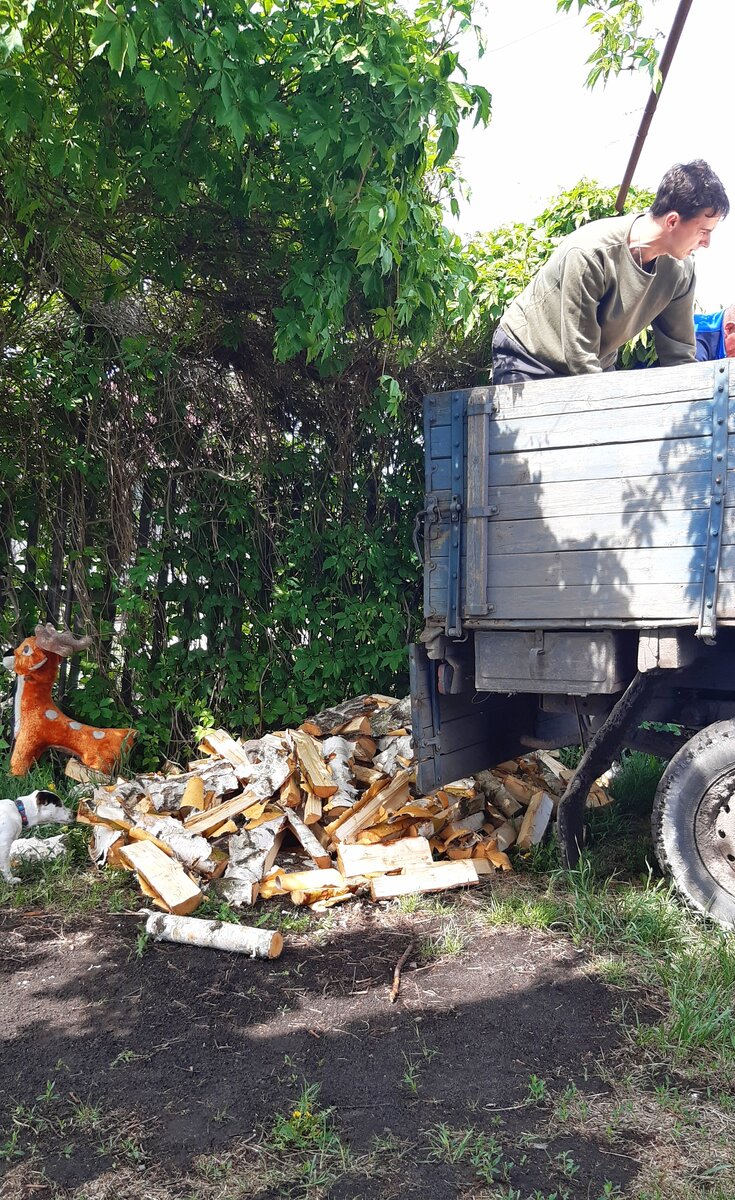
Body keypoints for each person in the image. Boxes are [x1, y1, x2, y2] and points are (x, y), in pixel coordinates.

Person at [492, 160, 729, 385]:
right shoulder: (591, 254)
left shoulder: (681, 272)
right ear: (673, 221)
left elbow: (680, 358)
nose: (707, 242)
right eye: (703, 231)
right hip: (529, 356)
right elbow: (581, 357)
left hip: (596, 365)